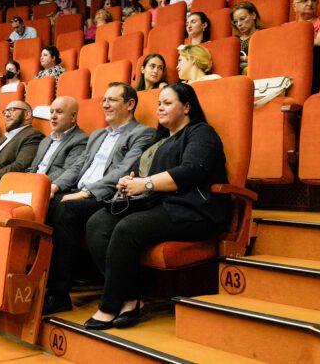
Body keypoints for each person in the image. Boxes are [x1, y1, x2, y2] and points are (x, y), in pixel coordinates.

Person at [82, 83, 230, 330]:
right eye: (159, 103)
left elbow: (191, 171)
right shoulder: (160, 141)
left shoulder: (201, 133)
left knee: (127, 228)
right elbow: (140, 175)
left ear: (187, 107)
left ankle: (109, 305)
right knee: (98, 223)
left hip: (194, 209)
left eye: (168, 103)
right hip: (160, 205)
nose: (160, 108)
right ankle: (131, 298)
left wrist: (145, 184)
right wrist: (129, 182)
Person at [41, 82, 154, 315]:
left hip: (106, 196)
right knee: (45, 204)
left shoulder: (142, 133)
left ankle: (59, 294)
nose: (105, 104)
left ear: (130, 104)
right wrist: (54, 186)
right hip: (78, 191)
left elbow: (124, 169)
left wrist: (86, 193)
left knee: (64, 210)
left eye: (112, 100)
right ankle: (45, 281)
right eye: (104, 100)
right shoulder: (97, 135)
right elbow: (78, 166)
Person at [0, 100, 44, 197]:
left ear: (27, 115)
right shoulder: (3, 139)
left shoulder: (33, 135)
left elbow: (19, 167)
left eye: (12, 110)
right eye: (5, 112)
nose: (6, 115)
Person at [26, 97, 88, 182]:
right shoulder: (45, 141)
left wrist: (37, 182)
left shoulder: (80, 139)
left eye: (59, 112)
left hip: (49, 185)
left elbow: (68, 172)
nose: (53, 117)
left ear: (73, 116)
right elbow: (33, 168)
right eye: (51, 112)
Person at [231, 1, 262, 73]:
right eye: (235, 22)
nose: (239, 24)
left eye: (242, 19)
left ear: (253, 15)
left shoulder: (264, 35)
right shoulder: (233, 40)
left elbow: (266, 59)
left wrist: (242, 58)